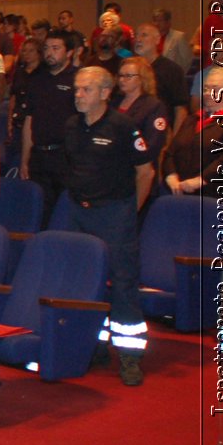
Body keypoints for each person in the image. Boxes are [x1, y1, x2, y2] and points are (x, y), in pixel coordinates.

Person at [64, 66, 155, 386]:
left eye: (85, 89)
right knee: (82, 281)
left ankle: (130, 356)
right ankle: (93, 345)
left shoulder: (123, 126)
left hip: (114, 213)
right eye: (76, 89)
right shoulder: (72, 125)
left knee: (122, 281)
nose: (78, 94)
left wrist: (130, 212)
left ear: (105, 93)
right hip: (79, 211)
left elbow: (146, 173)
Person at [18, 31, 81, 222]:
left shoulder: (78, 80)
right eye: (46, 48)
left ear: (69, 52)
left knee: (66, 214)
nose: (49, 53)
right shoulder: (37, 79)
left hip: (65, 157)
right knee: (40, 213)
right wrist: (25, 159)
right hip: (39, 156)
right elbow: (30, 120)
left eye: (56, 48)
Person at [164, 66, 223, 196]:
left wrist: (201, 180)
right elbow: (170, 152)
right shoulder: (192, 119)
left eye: (215, 88)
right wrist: (171, 175)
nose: (207, 93)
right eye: (206, 88)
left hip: (215, 194)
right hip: (178, 189)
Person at [115, 57, 171, 172]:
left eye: (128, 76)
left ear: (142, 79)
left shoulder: (154, 106)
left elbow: (152, 145)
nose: (122, 80)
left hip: (137, 168)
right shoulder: (114, 102)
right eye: (120, 75)